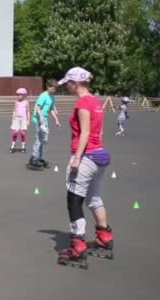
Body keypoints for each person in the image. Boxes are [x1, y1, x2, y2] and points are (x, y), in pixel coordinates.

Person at [56, 67, 113, 270]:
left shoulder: (82, 102)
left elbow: (85, 132)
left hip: (86, 155)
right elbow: (99, 130)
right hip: (99, 154)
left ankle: (78, 245)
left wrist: (77, 158)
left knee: (74, 199)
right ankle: (104, 237)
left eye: (68, 83)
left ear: (76, 83)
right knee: (94, 198)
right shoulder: (95, 102)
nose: (67, 87)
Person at [28, 79, 61, 170]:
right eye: (53, 88)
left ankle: (39, 157)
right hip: (39, 119)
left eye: (55, 89)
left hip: (44, 119)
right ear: (48, 87)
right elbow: (38, 108)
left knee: (43, 140)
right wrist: (41, 118)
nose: (54, 90)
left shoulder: (52, 97)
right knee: (39, 139)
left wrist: (56, 120)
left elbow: (51, 109)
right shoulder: (43, 96)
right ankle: (34, 158)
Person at [10, 88, 30, 153]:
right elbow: (14, 111)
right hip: (16, 118)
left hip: (23, 118)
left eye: (21, 95)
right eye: (18, 95)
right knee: (15, 133)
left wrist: (28, 120)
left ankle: (23, 146)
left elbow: (28, 112)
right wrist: (13, 119)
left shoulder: (26, 102)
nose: (19, 96)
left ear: (24, 95)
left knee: (22, 133)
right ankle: (13, 145)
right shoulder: (16, 102)